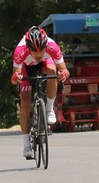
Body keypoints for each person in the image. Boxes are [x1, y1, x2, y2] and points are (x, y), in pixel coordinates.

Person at [12, 26, 70, 159]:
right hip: (26, 68)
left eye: (41, 50)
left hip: (44, 65)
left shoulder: (52, 47)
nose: (38, 54)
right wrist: (16, 77)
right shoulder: (20, 51)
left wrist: (64, 74)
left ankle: (49, 109)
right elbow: (14, 79)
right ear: (28, 48)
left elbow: (65, 70)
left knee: (52, 72)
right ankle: (26, 145)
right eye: (34, 51)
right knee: (25, 104)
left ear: (46, 46)